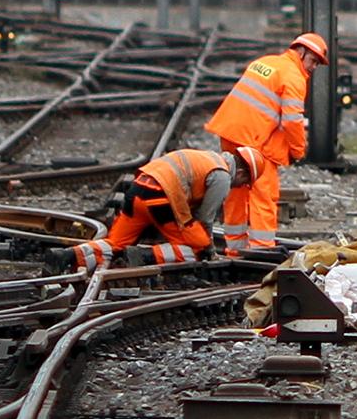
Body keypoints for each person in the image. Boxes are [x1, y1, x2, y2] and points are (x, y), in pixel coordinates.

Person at [203, 32, 328, 254]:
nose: (314, 67)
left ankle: (235, 249)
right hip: (254, 141)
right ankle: (261, 250)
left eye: (318, 63)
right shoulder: (294, 77)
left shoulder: (265, 62)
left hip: (230, 132)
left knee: (235, 191)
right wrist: (298, 150)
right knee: (264, 195)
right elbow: (292, 122)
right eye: (313, 60)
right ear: (301, 52)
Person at [61, 147, 263, 269]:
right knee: (198, 246)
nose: (241, 186)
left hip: (137, 191)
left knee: (116, 242)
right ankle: (144, 256)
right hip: (160, 197)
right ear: (243, 173)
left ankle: (67, 256)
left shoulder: (208, 157)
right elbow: (204, 218)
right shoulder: (222, 176)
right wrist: (209, 250)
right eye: (245, 182)